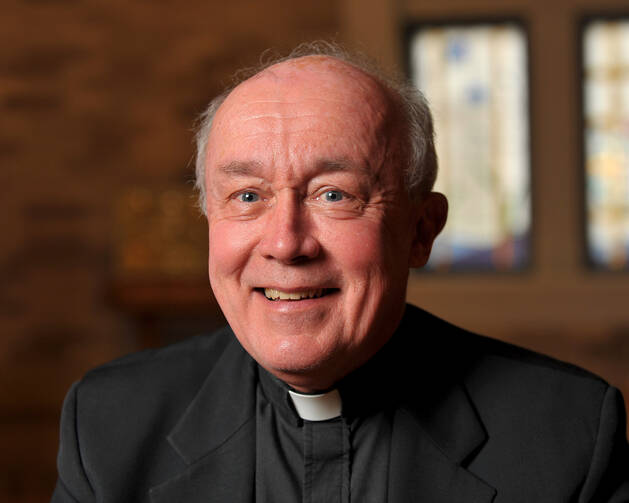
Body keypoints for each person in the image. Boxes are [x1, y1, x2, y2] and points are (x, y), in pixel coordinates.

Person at [51, 42, 629, 503]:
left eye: (334, 194)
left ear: (421, 230)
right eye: (247, 195)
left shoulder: (567, 434)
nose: (285, 243)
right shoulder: (109, 425)